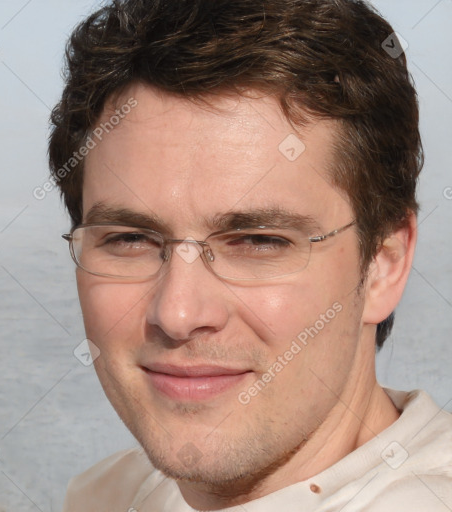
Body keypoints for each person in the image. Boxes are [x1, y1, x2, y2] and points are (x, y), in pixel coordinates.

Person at [48, 0, 452, 510]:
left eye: (258, 241)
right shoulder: (107, 494)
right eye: (131, 238)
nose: (177, 314)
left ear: (383, 264)